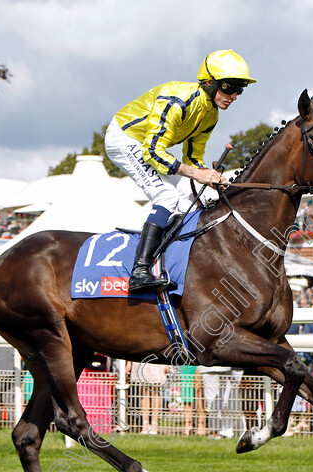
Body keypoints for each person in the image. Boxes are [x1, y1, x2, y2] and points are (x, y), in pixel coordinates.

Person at [104, 49, 256, 293]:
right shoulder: (177, 100)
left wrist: (210, 177)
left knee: (192, 191)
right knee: (167, 195)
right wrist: (197, 174)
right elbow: (152, 152)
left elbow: (193, 158)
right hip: (125, 138)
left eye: (240, 90)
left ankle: (165, 257)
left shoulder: (210, 114)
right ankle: (139, 271)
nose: (234, 96)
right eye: (229, 87)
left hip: (146, 146)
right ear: (208, 83)